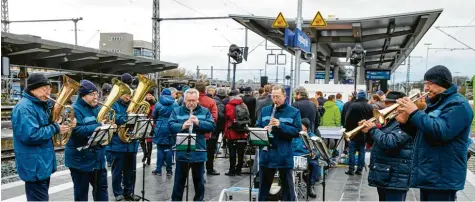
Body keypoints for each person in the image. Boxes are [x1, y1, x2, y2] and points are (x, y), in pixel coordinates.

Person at [396, 65, 473, 201]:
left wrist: (414, 112)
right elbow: (423, 133)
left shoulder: (458, 105)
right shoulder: (436, 103)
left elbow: (442, 131)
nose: (426, 88)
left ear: (441, 83)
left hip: (443, 175)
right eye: (425, 83)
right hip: (431, 174)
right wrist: (406, 122)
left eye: (429, 84)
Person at [11, 73, 71, 201]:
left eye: (49, 88)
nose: (49, 92)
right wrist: (55, 128)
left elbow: (45, 126)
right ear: (33, 88)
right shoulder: (24, 108)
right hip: (34, 165)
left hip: (41, 162)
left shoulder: (40, 105)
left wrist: (60, 122)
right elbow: (30, 135)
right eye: (45, 89)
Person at [359, 91, 413, 201]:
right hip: (385, 173)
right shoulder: (389, 122)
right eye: (386, 103)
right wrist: (367, 132)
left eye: (390, 104)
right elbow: (377, 142)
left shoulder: (407, 123)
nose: (386, 107)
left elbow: (390, 142)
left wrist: (373, 129)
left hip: (396, 175)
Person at [169, 88, 216, 201]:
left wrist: (199, 123)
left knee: (199, 182)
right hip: (182, 151)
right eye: (188, 100)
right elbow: (170, 126)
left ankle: (199, 200)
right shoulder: (177, 111)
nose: (191, 103)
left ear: (198, 100)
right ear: (184, 100)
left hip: (198, 151)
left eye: (193, 100)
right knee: (179, 182)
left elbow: (212, 126)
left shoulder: (204, 111)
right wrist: (182, 126)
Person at [256, 85, 302, 201]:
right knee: (263, 189)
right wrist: (263, 130)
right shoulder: (265, 110)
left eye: (278, 97)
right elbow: (257, 126)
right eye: (273, 96)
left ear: (285, 97)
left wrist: (281, 125)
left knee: (287, 189)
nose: (275, 99)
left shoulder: (294, 112)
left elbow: (296, 131)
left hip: (283, 155)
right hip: (267, 155)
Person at [66, 80, 109, 201]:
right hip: (80, 160)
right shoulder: (74, 110)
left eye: (97, 94)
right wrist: (99, 125)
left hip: (98, 158)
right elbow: (76, 131)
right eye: (92, 94)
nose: (96, 97)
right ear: (83, 95)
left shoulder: (98, 108)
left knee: (102, 190)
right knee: (81, 194)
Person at [109, 84, 140, 201]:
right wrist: (128, 116)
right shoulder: (113, 104)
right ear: (120, 94)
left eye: (130, 94)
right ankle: (117, 192)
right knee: (117, 170)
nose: (129, 96)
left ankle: (129, 191)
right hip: (118, 142)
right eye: (126, 94)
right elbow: (113, 117)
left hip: (131, 142)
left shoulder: (133, 105)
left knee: (130, 170)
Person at [344, 90, 373, 175]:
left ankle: (351, 169)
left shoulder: (353, 106)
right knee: (362, 151)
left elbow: (347, 118)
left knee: (352, 151)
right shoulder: (369, 106)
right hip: (364, 132)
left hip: (353, 131)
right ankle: (360, 169)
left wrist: (346, 129)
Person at [152, 88, 179, 176]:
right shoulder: (175, 103)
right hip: (171, 126)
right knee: (169, 148)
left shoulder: (158, 103)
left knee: (160, 149)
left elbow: (154, 115)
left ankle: (158, 169)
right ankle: (169, 170)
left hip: (160, 127)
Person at [292, 118, 320, 198]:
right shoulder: (294, 135)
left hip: (307, 158)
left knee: (314, 164)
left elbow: (318, 151)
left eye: (301, 125)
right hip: (294, 157)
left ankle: (311, 186)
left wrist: (314, 154)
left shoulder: (312, 137)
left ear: (306, 127)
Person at [195, 82, 219, 175]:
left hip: (192, 131)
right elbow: (214, 117)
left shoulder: (191, 100)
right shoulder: (211, 101)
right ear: (205, 89)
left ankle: (198, 170)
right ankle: (209, 169)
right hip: (206, 131)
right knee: (209, 151)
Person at [224, 95, 248, 176]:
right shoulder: (244, 105)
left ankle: (232, 170)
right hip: (242, 132)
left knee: (232, 152)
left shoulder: (228, 106)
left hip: (232, 132)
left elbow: (228, 117)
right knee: (241, 153)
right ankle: (239, 170)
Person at [207, 88, 226, 174]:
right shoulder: (220, 104)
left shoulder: (212, 101)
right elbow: (221, 117)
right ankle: (209, 168)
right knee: (211, 150)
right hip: (214, 130)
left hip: (208, 128)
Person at [140, 89, 156, 166]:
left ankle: (149, 158)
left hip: (151, 123)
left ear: (152, 96)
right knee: (141, 140)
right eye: (148, 95)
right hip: (143, 123)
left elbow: (155, 114)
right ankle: (145, 153)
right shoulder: (142, 103)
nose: (149, 96)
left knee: (149, 141)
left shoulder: (154, 104)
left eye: (150, 95)